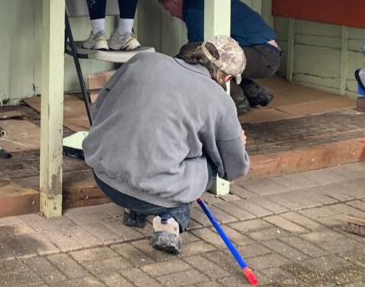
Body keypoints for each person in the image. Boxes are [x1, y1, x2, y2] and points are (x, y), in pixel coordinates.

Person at [82, 37, 250, 256]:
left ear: (198, 51)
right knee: (209, 160)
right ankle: (169, 220)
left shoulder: (143, 60)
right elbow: (232, 169)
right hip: (155, 194)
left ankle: (134, 213)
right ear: (227, 77)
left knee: (156, 147)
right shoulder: (220, 100)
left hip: (104, 177)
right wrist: (237, 143)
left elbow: (98, 110)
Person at [157, 0, 279, 114]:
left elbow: (195, 55)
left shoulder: (195, 9)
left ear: (175, 1)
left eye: (169, 10)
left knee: (198, 57)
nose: (172, 15)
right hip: (267, 53)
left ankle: (237, 101)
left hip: (261, 55)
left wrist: (170, 72)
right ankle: (255, 93)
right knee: (215, 56)